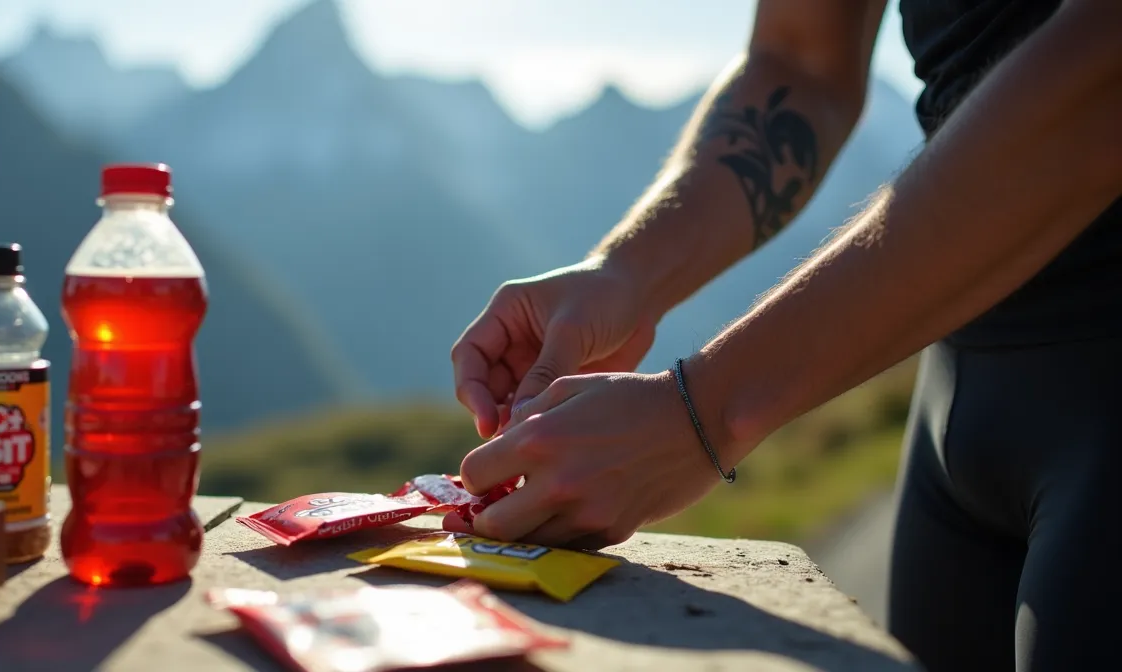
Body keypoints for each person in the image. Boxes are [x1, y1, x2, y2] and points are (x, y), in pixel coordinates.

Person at [448, 1, 1121, 670]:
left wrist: (703, 413)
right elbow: (801, 59)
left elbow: (1101, 81)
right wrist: (625, 272)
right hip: (957, 396)